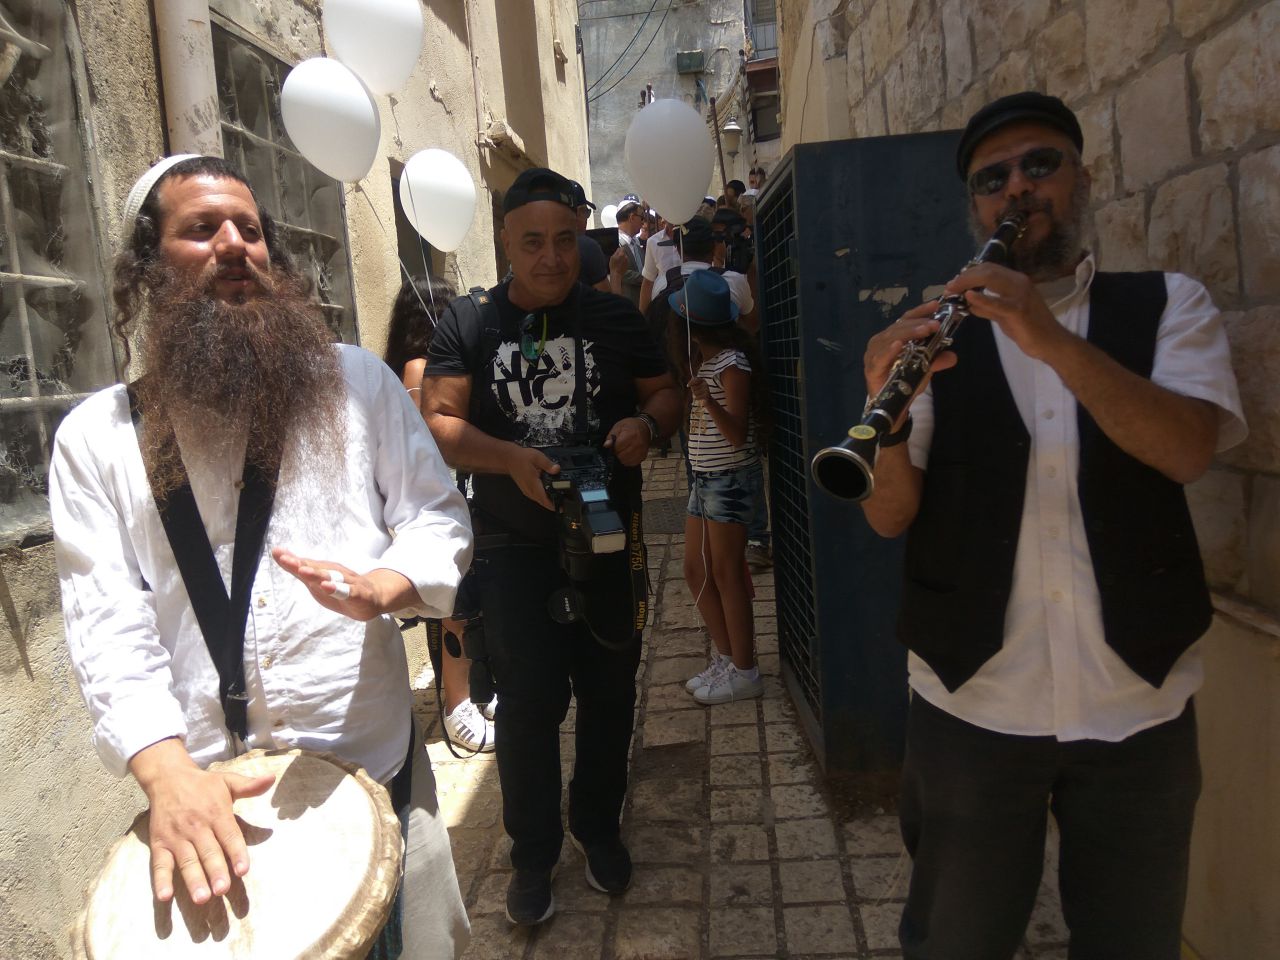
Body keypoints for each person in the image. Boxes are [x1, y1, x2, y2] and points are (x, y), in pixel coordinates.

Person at [50, 155, 474, 957]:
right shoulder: (94, 440)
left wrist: (387, 584)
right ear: (148, 265)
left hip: (374, 761)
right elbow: (108, 628)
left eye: (249, 228)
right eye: (201, 228)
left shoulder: (357, 383)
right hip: (216, 802)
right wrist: (167, 775)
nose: (234, 244)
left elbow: (436, 515)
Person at [859, 92, 1246, 960]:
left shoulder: (1169, 305)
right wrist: (883, 420)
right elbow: (890, 515)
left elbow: (1187, 450)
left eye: (1040, 165)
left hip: (1137, 704)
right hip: (973, 702)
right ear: (975, 208)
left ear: (1083, 177)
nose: (1017, 190)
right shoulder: (938, 332)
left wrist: (1049, 338)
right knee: (954, 942)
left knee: (1133, 943)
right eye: (991, 179)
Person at [420, 167, 680, 926]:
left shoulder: (615, 318)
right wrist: (508, 458)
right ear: (505, 241)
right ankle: (532, 854)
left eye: (565, 240)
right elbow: (437, 422)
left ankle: (597, 827)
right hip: (513, 550)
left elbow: (668, 391)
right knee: (529, 709)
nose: (552, 257)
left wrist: (648, 426)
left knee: (610, 695)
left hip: (609, 539)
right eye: (532, 241)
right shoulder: (470, 323)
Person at [384, 274, 496, 754]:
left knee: (470, 604)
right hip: (439, 499)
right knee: (454, 610)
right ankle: (456, 706)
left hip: (459, 494)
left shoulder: (435, 366)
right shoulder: (418, 369)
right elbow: (430, 441)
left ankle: (476, 690)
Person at [669, 270, 768, 705]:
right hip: (705, 478)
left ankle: (746, 671)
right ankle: (728, 658)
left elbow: (736, 434)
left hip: (729, 478)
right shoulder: (706, 363)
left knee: (727, 572)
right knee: (696, 569)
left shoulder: (732, 365)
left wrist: (707, 400)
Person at [651, 216, 755, 327]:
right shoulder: (735, 281)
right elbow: (752, 324)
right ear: (714, 247)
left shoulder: (662, 282)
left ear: (678, 249)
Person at [569, 180, 610, 292]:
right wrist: (616, 273)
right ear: (577, 213)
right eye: (585, 212)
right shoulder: (588, 247)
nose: (587, 219)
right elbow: (607, 300)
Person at [611, 193, 646, 306]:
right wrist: (647, 278)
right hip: (627, 303)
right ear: (632, 217)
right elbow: (620, 271)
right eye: (641, 218)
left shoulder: (636, 243)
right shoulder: (614, 243)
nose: (643, 222)